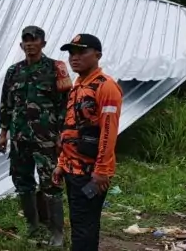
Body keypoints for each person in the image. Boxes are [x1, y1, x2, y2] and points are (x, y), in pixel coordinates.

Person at [0, 25, 72, 247]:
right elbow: (6, 105)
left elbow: (64, 106)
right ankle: (32, 226)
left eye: (34, 39)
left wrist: (61, 134)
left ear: (43, 43)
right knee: (22, 181)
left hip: (46, 138)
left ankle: (56, 233)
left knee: (51, 183)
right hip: (20, 138)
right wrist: (3, 134)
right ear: (21, 44)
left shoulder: (55, 68)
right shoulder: (13, 72)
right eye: (26, 40)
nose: (30, 43)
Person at [53, 34, 123, 251]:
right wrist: (62, 163)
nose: (75, 58)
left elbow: (108, 131)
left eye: (82, 52)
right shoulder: (77, 86)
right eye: (71, 53)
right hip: (73, 169)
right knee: (79, 222)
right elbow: (70, 128)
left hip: (91, 172)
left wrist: (101, 170)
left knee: (85, 226)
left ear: (97, 55)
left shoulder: (106, 86)